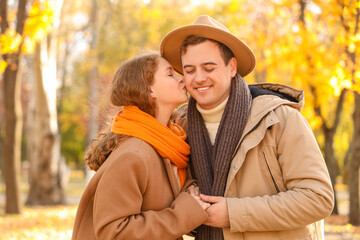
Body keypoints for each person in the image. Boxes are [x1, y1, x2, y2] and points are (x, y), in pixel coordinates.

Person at [160, 15, 334, 240]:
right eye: (190, 70)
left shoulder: (280, 120)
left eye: (209, 67)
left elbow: (317, 198)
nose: (199, 78)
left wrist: (234, 214)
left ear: (231, 67)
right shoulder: (178, 128)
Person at [71, 53, 210, 240]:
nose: (182, 79)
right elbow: (115, 232)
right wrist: (182, 214)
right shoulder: (134, 155)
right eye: (170, 74)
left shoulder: (166, 145)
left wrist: (190, 191)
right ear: (149, 89)